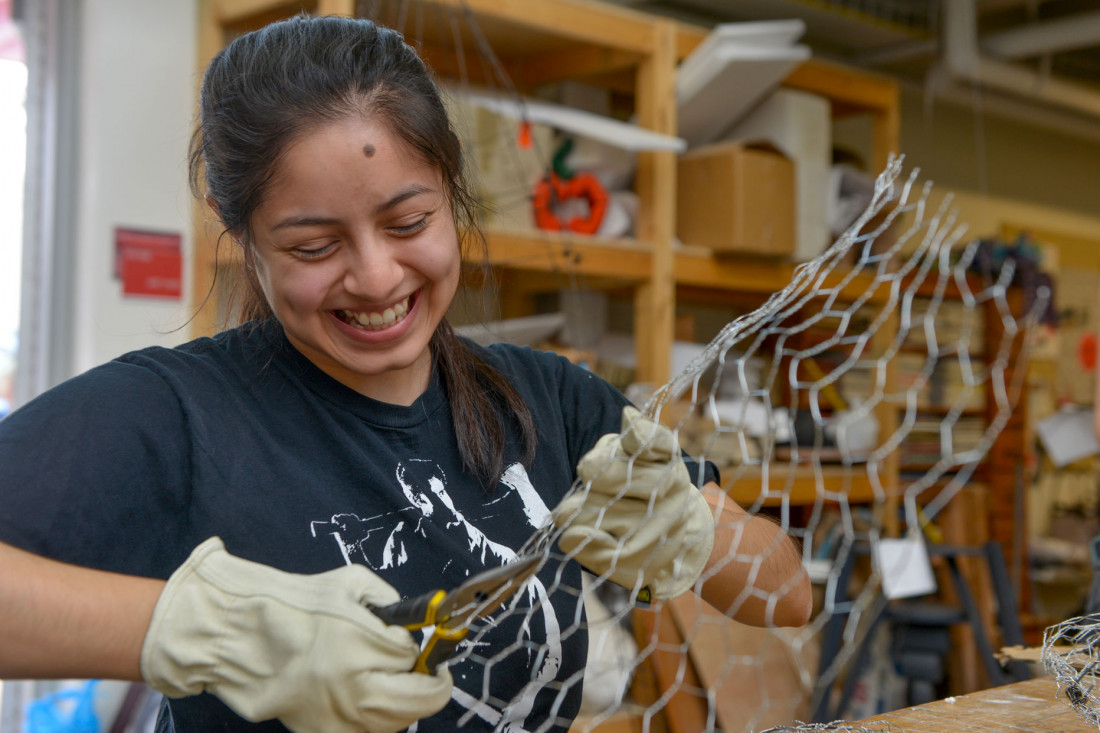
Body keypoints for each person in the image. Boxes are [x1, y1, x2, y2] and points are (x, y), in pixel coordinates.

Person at [0, 14, 811, 733]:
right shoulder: (180, 415)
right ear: (238, 228)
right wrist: (206, 628)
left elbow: (789, 596)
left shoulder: (548, 401)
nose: (378, 276)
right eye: (314, 246)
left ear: (453, 193)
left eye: (408, 221)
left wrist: (699, 532)